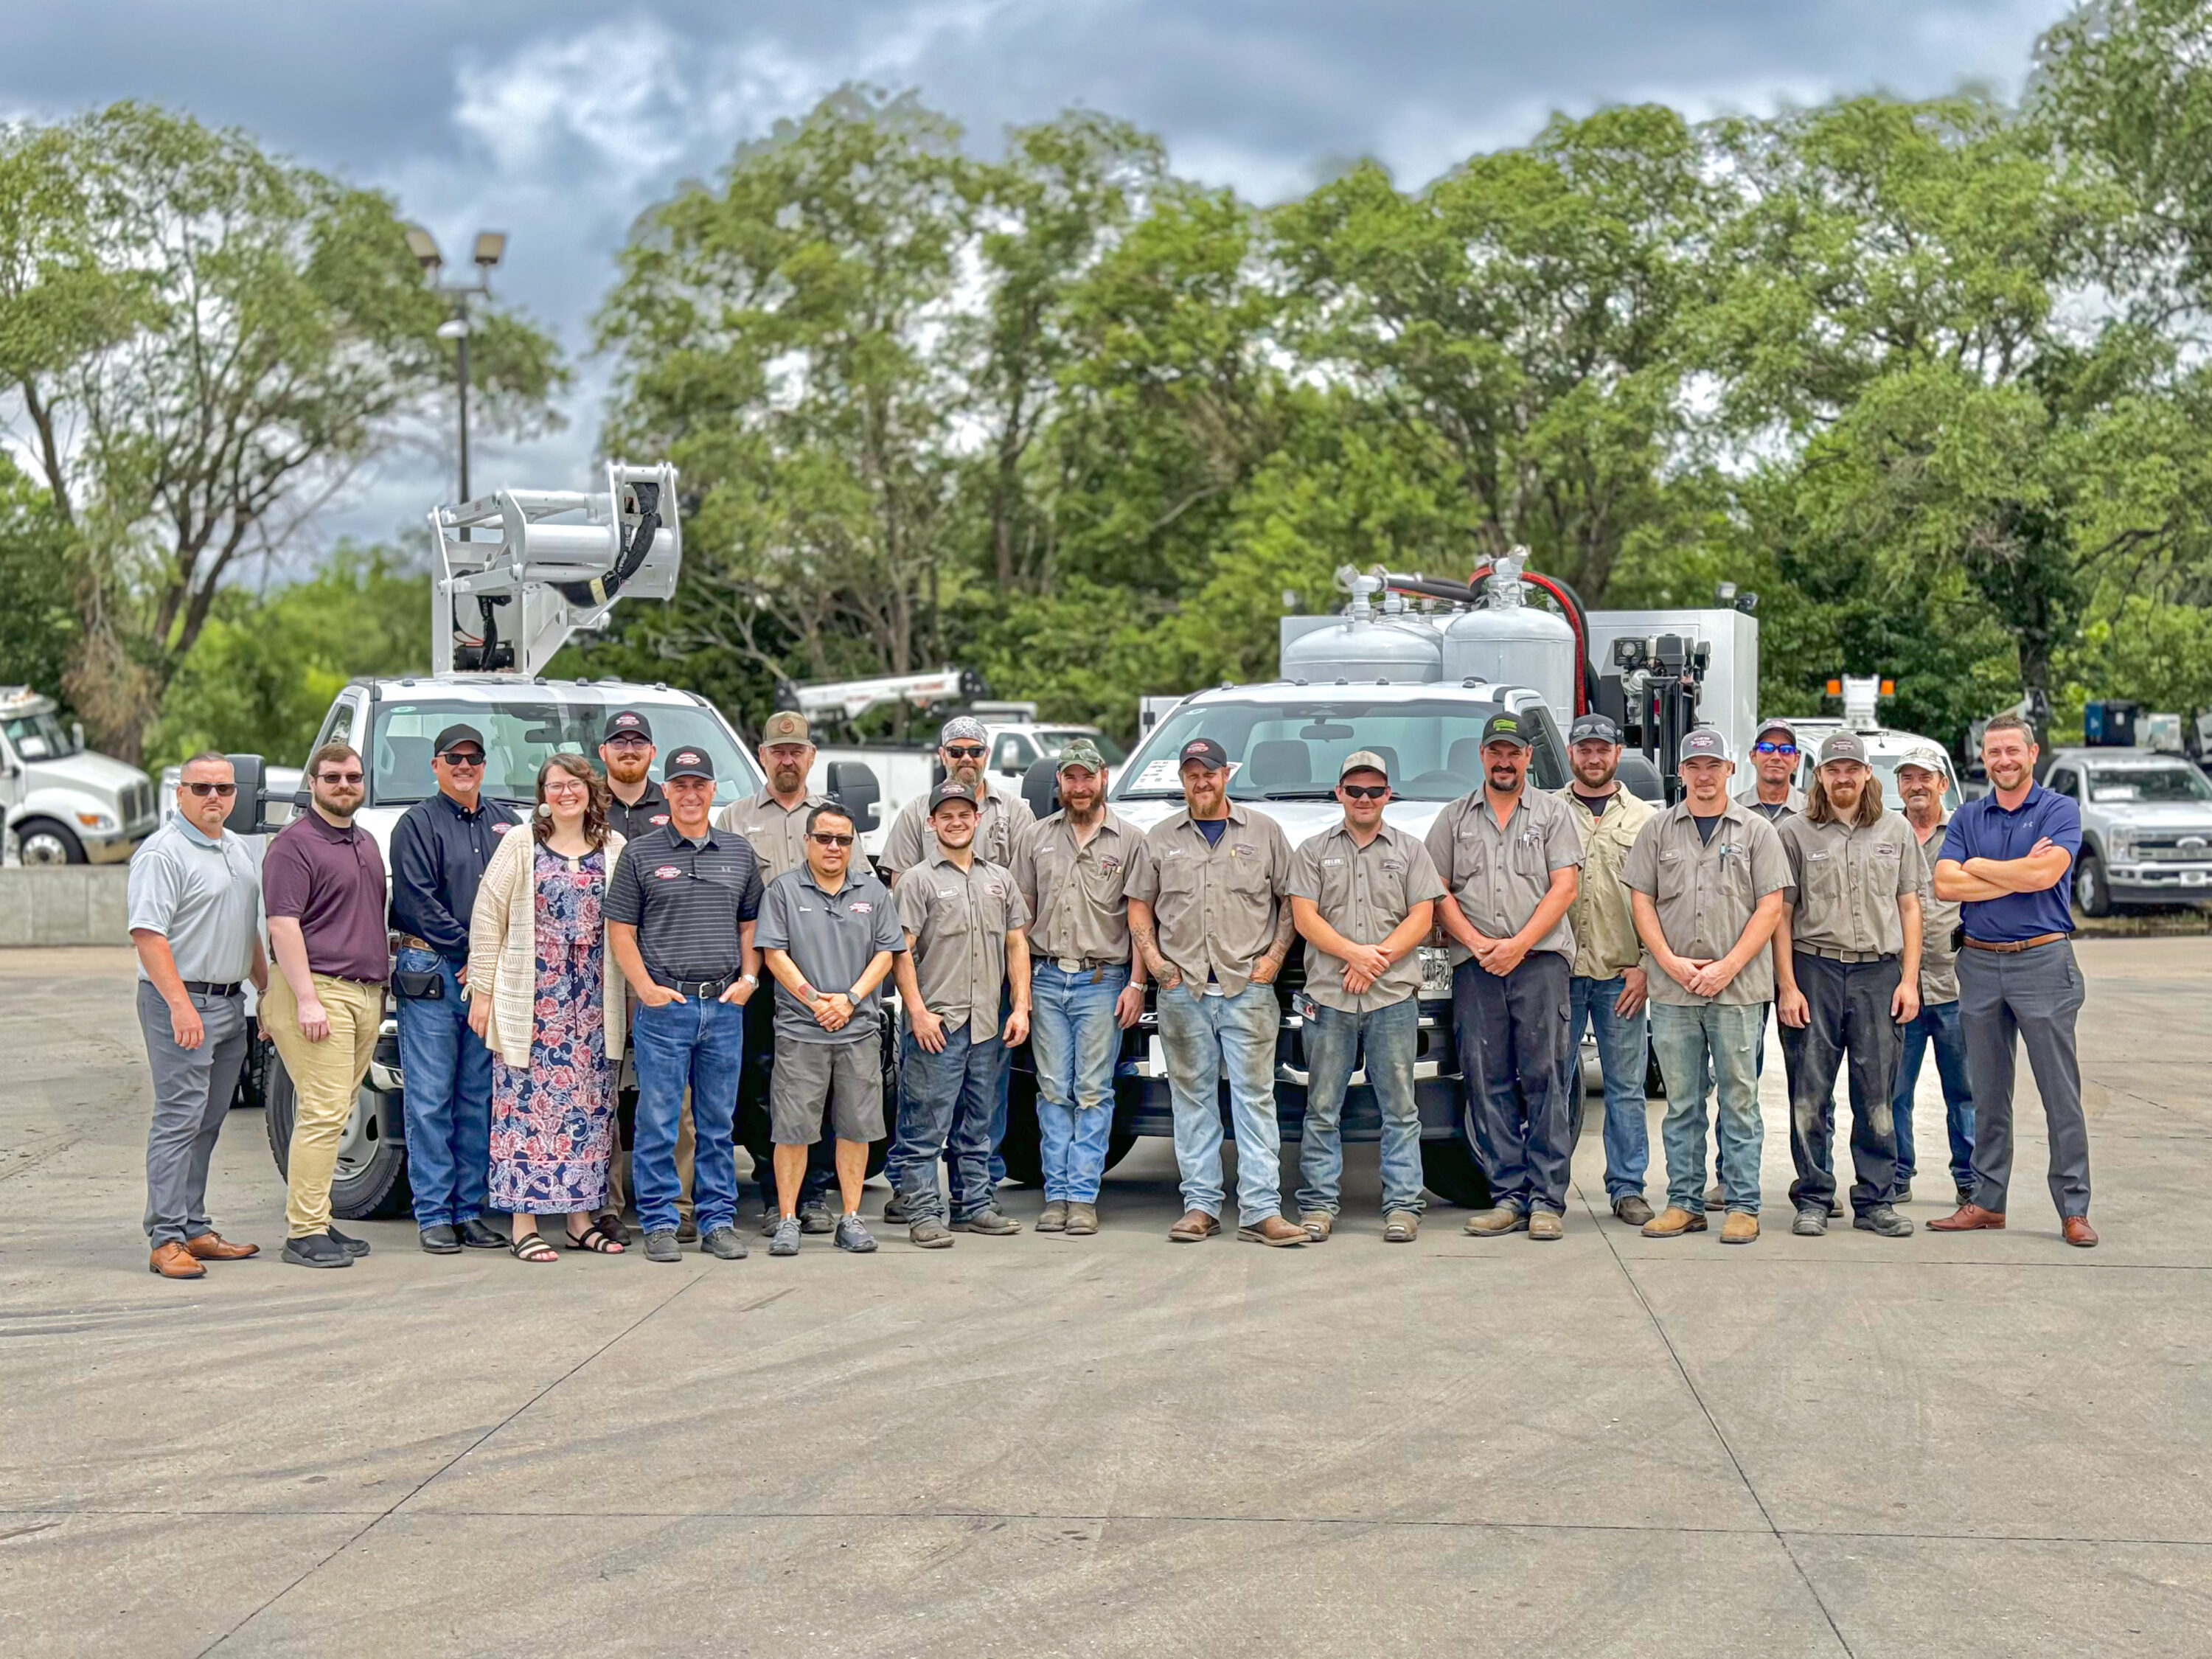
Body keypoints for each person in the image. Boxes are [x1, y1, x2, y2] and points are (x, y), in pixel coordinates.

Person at [1124, 737, 1307, 1247]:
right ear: (1182, 780)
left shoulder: (1265, 833)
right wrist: (1157, 965)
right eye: (1191, 774)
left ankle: (1261, 1210)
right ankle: (1200, 1206)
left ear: (1226, 774)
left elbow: (1291, 900)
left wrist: (1272, 960)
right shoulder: (1159, 839)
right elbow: (1140, 906)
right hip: (1183, 992)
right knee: (1192, 1102)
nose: (1200, 782)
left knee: (1255, 1099)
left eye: (1209, 773)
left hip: (1246, 990)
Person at [1929, 714, 2096, 1247]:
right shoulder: (1967, 817)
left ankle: (2073, 1209)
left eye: (2011, 751)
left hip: (2042, 962)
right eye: (1993, 752)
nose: (2002, 760)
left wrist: (1979, 868)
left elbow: (2045, 875)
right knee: (1988, 1094)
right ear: (1983, 757)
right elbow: (1943, 884)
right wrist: (2014, 870)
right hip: (1978, 965)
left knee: (2059, 1094)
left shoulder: (2058, 809)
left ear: (2032, 753)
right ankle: (1987, 1202)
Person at [1623, 726, 1787, 1245]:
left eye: (1713, 765)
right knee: (1682, 1102)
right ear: (1681, 773)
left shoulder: (1758, 832)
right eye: (1694, 766)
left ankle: (1742, 1205)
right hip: (1674, 992)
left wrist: (1728, 966)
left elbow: (1771, 905)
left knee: (1740, 1099)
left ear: (1730, 770)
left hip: (1738, 990)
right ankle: (1684, 1202)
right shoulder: (1658, 831)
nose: (1704, 775)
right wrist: (1666, 963)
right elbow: (1641, 900)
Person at [1425, 713, 1582, 1239]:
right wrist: (1476, 944)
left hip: (1539, 963)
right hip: (1477, 967)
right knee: (1486, 1081)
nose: (1505, 760)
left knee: (1545, 1078)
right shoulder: (1453, 819)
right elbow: (1437, 890)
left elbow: (1564, 888)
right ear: (1482, 755)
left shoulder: (1554, 814)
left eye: (1514, 752)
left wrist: (1517, 945)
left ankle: (1547, 1202)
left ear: (1528, 758)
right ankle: (1508, 1197)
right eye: (1496, 751)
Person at [467, 755, 631, 1261]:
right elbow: (488, 916)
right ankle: (524, 1223)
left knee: (590, 1111)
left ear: (591, 791)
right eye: (556, 785)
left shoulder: (614, 849)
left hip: (594, 1004)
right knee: (525, 1111)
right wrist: (483, 990)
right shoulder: (521, 844)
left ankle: (580, 1220)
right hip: (535, 1001)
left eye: (575, 784)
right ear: (543, 793)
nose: (566, 793)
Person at [604, 745, 762, 1265]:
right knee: (659, 1119)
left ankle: (717, 1221)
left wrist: (749, 978)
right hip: (664, 1008)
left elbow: (749, 923)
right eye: (680, 785)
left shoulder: (737, 852)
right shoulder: (641, 853)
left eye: (700, 785)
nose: (690, 794)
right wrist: (646, 988)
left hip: (722, 1006)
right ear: (665, 791)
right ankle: (660, 1221)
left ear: (713, 792)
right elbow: (621, 930)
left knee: (718, 1122)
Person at [1287, 751, 1444, 1243]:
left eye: (1374, 791)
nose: (1364, 799)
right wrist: (1354, 955)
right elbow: (1304, 917)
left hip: (1392, 998)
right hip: (1330, 998)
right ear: (1339, 793)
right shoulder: (1312, 850)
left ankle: (1402, 1207)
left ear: (1388, 795)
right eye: (1354, 790)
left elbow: (1423, 915)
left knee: (1400, 1109)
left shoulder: (1411, 850)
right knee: (1322, 1108)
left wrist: (1376, 960)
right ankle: (1316, 1206)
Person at [883, 715, 1036, 1211]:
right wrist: (917, 1011)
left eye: (975, 751)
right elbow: (900, 946)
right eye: (956, 751)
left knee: (981, 1121)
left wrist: (1021, 1007)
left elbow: (1017, 943)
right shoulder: (917, 878)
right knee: (925, 1119)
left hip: (988, 1017)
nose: (955, 821)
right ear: (932, 822)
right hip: (937, 1015)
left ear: (977, 819)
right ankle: (921, 1207)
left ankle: (976, 1205)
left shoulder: (1000, 876)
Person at [1772, 731, 1921, 1239]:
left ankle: (1876, 1200)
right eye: (1833, 769)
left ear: (1865, 775)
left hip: (1879, 974)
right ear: (1819, 775)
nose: (1842, 777)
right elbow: (1781, 914)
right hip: (1814, 969)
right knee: (1808, 1093)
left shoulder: (1896, 830)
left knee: (1876, 1093)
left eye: (1851, 769)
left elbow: (1909, 907)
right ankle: (1813, 1197)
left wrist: (1909, 980)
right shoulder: (1794, 833)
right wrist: (1788, 987)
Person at [129, 752, 268, 1279]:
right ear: (180, 793)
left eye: (225, 789)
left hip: (231, 1002)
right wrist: (181, 1005)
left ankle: (193, 1226)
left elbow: (242, 926)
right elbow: (148, 935)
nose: (215, 797)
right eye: (203, 787)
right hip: (182, 1003)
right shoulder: (162, 854)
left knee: (208, 1122)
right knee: (178, 1119)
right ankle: (165, 1238)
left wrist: (265, 988)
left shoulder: (234, 848)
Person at [388, 723, 521, 1255]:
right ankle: (434, 1214)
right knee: (429, 1096)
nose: (465, 766)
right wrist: (471, 955)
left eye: (474, 758)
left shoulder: (509, 825)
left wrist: (488, 963)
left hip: (487, 977)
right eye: (454, 758)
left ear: (485, 765)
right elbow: (417, 901)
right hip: (433, 970)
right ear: (436, 765)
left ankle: (469, 1210)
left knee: (477, 1096)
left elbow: (520, 897)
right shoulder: (415, 824)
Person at [756, 803, 905, 1256]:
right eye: (824, 838)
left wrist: (851, 999)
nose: (834, 847)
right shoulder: (782, 890)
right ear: (808, 841)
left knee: (856, 1129)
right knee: (792, 1130)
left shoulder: (873, 892)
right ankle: (787, 1219)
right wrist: (815, 1000)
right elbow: (773, 954)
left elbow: (887, 953)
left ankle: (852, 1218)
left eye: (843, 839)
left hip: (858, 1031)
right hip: (801, 1031)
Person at [1011, 740, 1146, 1236]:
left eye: (1087, 777)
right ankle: (1056, 1195)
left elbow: (1140, 921)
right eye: (1070, 778)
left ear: (1103, 777)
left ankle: (1083, 1197)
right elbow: (1018, 922)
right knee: (1051, 1091)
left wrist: (1136, 983)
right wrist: (1021, 993)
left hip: (1101, 980)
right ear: (1061, 783)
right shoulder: (1037, 838)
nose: (1079, 786)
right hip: (1047, 978)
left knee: (1092, 1091)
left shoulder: (1130, 840)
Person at [262, 742, 389, 1269]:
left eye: (353, 777)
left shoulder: (364, 841)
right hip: (317, 990)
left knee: (334, 1111)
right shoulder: (293, 845)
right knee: (321, 1112)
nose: (344, 785)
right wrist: (307, 1001)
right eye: (333, 776)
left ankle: (317, 1218)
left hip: (364, 993)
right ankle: (303, 1234)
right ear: (312, 782)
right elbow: (282, 924)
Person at [714, 708, 837, 1234]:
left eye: (797, 751)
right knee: (764, 1083)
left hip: (824, 969)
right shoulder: (736, 819)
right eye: (777, 751)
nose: (787, 760)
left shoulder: (832, 820)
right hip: (762, 974)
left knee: (824, 1084)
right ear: (762, 756)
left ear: (811, 757)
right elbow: (725, 900)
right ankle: (773, 1190)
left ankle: (815, 1193)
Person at [1555, 713, 1660, 1227]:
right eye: (1584, 749)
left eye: (1603, 749)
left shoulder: (1646, 819)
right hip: (1559, 972)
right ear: (1571, 754)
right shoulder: (1548, 813)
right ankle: (1548, 1186)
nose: (1593, 758)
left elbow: (1659, 899)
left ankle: (1627, 1188)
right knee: (1552, 1081)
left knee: (1624, 1086)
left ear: (1617, 753)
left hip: (1623, 973)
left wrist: (1646, 966)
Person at [596, 706, 681, 1242]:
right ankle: (604, 1201)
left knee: (668, 1095)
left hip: (666, 970)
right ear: (602, 752)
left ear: (652, 753)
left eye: (638, 743)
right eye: (618, 742)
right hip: (597, 974)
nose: (629, 750)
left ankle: (674, 1203)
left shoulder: (675, 802)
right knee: (600, 1091)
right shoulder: (583, 802)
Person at [1891, 748, 1975, 1208]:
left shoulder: (1966, 831)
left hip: (1955, 985)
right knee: (1894, 1090)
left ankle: (1970, 1178)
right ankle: (1897, 1175)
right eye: (1907, 777)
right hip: (1899, 988)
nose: (1916, 785)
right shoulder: (1886, 830)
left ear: (1943, 783)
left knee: (1964, 1091)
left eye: (1926, 777)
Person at [882, 715, 1037, 875]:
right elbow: (901, 880)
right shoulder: (915, 813)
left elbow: (1025, 887)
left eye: (975, 751)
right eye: (956, 752)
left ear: (987, 755)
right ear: (943, 755)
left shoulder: (1016, 812)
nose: (966, 758)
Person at [1738, 718, 1808, 822]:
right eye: (1767, 748)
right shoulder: (1735, 809)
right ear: (1753, 757)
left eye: (1786, 750)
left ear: (1796, 760)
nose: (1776, 757)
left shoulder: (1811, 811)